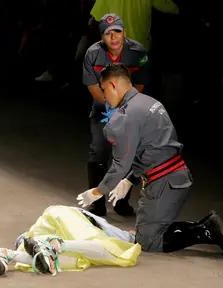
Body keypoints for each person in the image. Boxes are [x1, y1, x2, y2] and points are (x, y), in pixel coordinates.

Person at [77, 63, 223, 257]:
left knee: (148, 241)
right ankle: (201, 226)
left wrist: (97, 192)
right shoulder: (150, 103)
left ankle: (204, 230)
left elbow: (120, 164)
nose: (104, 96)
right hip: (177, 175)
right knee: (144, 231)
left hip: (163, 184)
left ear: (112, 85)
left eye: (104, 90)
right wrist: (130, 180)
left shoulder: (124, 117)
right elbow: (154, 147)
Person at [83, 13, 150, 217]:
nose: (113, 37)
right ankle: (97, 202)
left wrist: (123, 108)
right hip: (102, 109)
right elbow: (92, 87)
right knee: (98, 151)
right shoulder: (93, 53)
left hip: (129, 110)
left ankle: (121, 201)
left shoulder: (137, 52)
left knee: (127, 154)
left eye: (117, 32)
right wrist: (110, 106)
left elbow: (139, 84)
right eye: (108, 33)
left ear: (124, 33)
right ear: (102, 37)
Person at [0, 205, 141, 277]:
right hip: (63, 218)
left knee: (74, 261)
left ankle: (5, 254)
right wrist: (131, 235)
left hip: (34, 235)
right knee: (116, 252)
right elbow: (128, 237)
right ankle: (54, 245)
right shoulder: (117, 234)